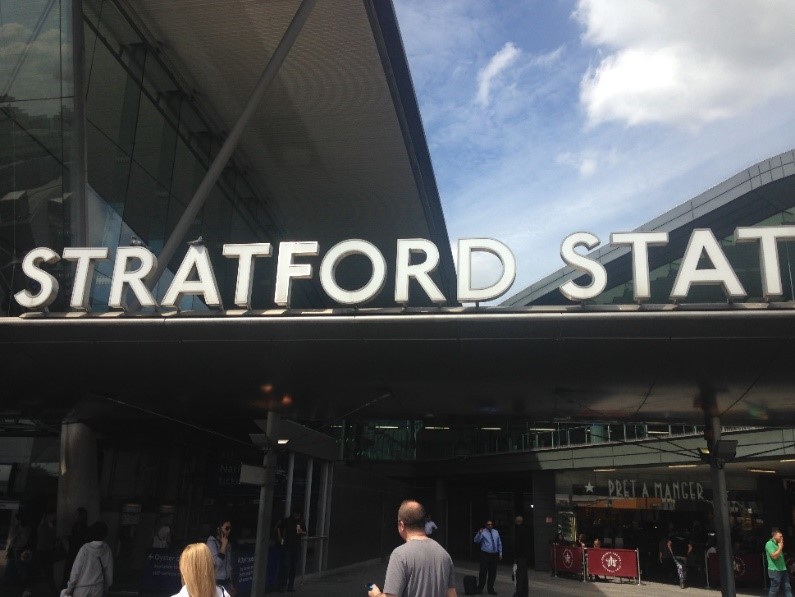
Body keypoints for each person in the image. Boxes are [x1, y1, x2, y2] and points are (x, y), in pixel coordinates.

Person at [367, 500, 456, 597]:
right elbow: (452, 594)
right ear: (424, 523)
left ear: (401, 525)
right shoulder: (444, 554)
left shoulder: (399, 555)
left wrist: (376, 594)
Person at [64, 520, 113, 597]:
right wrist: (107, 586)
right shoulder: (107, 549)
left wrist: (70, 588)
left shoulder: (85, 548)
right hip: (98, 588)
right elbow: (109, 571)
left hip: (82, 589)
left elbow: (76, 570)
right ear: (105, 534)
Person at [276, 509, 307, 592]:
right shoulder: (287, 521)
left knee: (293, 566)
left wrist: (301, 531)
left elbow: (305, 532)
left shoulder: (301, 522)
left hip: (296, 546)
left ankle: (290, 585)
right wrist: (280, 538)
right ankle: (283, 585)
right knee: (286, 565)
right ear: (293, 514)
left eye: (298, 515)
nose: (297, 516)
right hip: (287, 546)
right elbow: (278, 527)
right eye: (296, 515)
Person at [207, 518, 236, 597]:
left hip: (226, 582)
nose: (229, 531)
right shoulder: (211, 542)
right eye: (227, 528)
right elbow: (217, 563)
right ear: (219, 528)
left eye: (230, 528)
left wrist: (231, 583)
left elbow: (229, 565)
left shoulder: (228, 544)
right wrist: (223, 546)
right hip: (216, 583)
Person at [474, 519, 502, 595]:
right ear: (486, 525)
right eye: (488, 524)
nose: (490, 526)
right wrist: (479, 533)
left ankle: (490, 589)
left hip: (494, 554)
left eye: (491, 524)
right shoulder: (482, 532)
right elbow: (476, 541)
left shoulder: (496, 532)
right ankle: (480, 588)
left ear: (492, 525)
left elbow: (499, 543)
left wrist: (500, 553)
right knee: (483, 572)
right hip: (485, 554)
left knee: (492, 573)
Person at [63, 507, 90, 585]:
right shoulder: (75, 526)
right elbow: (75, 538)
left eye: (77, 515)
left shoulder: (85, 529)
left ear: (81, 516)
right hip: (72, 554)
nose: (75, 516)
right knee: (68, 574)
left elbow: (79, 540)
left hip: (78, 555)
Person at [766, 527, 793, 597]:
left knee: (787, 587)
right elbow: (774, 556)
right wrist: (780, 547)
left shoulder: (778, 544)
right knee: (774, 589)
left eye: (782, 536)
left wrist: (780, 546)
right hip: (774, 570)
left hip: (783, 569)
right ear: (774, 536)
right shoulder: (769, 544)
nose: (782, 537)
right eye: (780, 536)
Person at [513, 516, 530, 597]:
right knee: (524, 575)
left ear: (516, 521)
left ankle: (519, 593)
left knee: (519, 575)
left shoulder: (517, 531)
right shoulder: (525, 529)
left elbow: (517, 545)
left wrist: (515, 556)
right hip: (524, 556)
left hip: (520, 556)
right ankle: (525, 593)